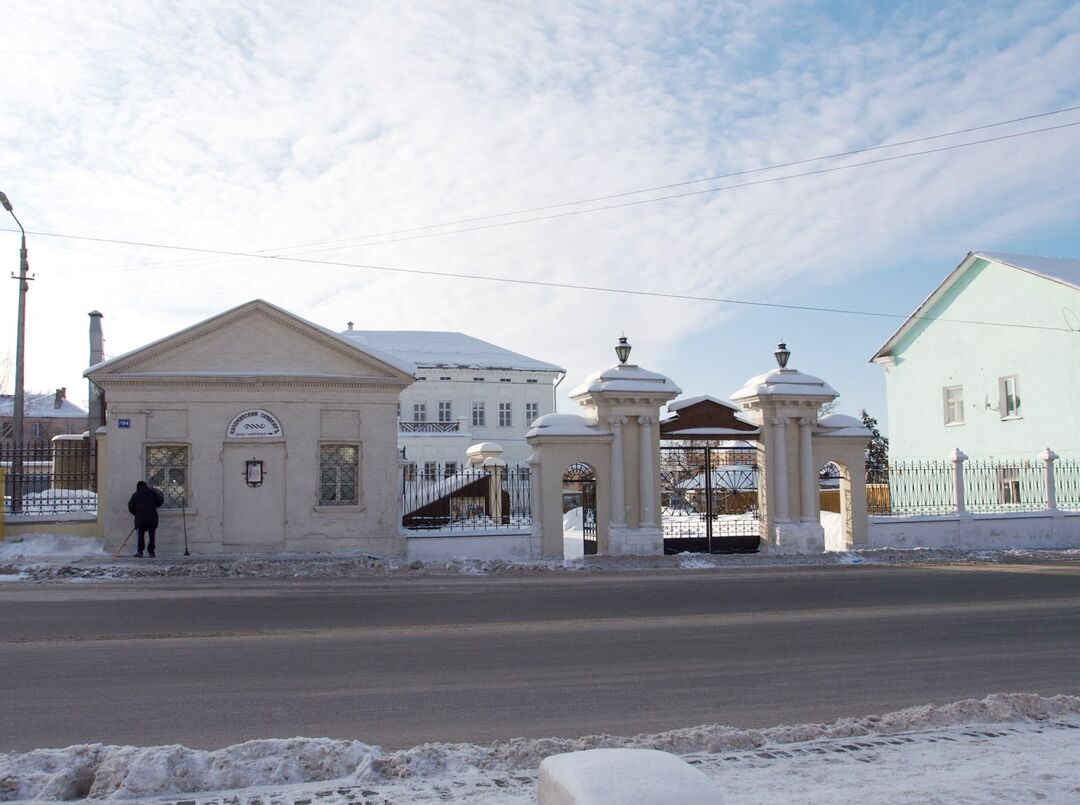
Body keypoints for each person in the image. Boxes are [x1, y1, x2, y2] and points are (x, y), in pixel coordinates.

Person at [127, 481, 165, 558]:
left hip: (140, 519)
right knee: (152, 536)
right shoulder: (152, 493)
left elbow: (130, 506)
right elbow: (160, 501)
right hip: (152, 518)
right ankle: (151, 552)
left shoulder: (135, 495)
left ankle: (140, 551)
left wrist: (136, 513)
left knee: (140, 536)